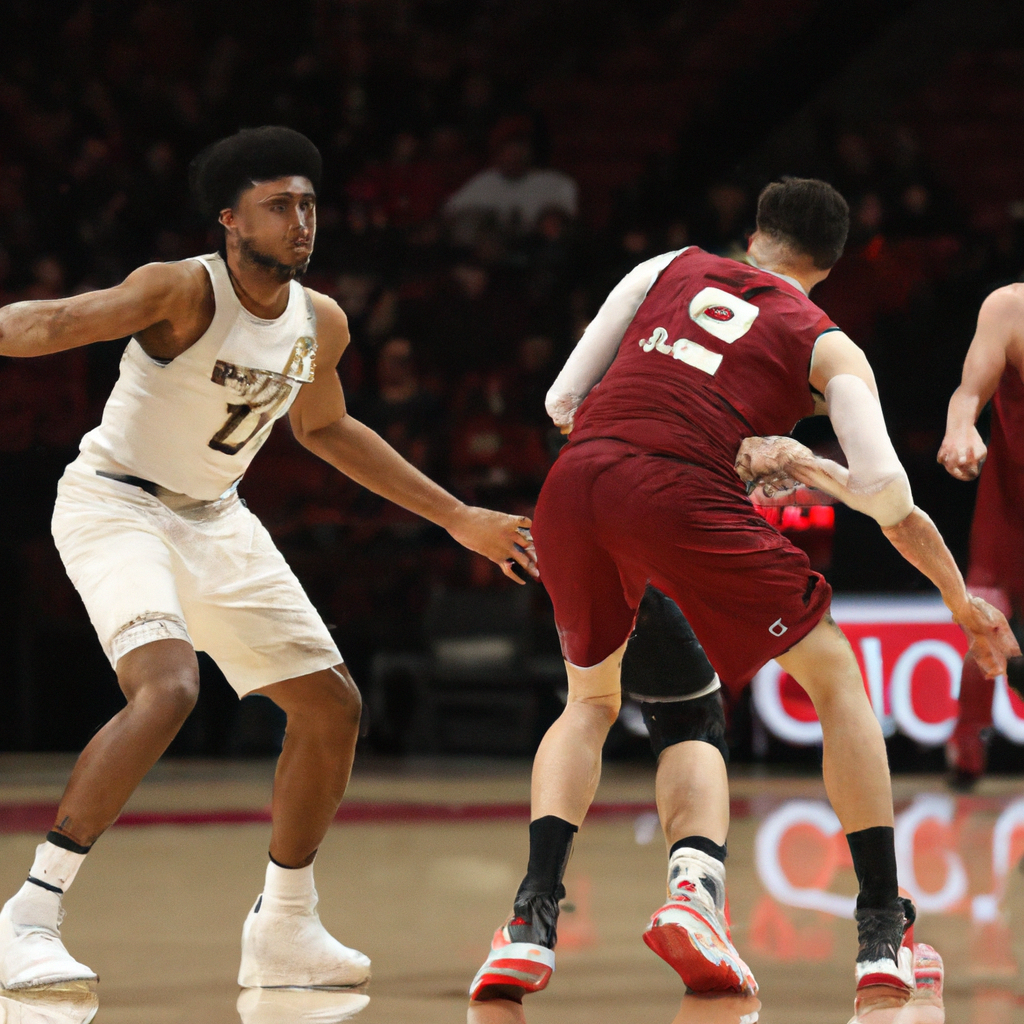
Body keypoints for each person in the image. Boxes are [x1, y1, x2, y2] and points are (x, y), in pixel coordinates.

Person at [0, 126, 537, 992]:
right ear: (229, 219)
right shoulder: (181, 289)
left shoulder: (321, 321)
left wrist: (457, 516)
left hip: (218, 518)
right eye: (280, 206)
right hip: (117, 502)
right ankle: (29, 911)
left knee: (330, 708)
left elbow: (324, 428)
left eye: (310, 205)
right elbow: (56, 322)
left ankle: (284, 926)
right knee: (169, 688)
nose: (301, 222)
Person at [469, 178, 1017, 1005]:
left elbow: (561, 401)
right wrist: (956, 600)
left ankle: (529, 920)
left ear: (753, 235)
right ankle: (881, 928)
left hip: (574, 486)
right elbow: (891, 501)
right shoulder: (827, 344)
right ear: (831, 266)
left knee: (589, 703)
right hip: (677, 493)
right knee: (835, 681)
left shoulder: (666, 266)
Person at [937, 282, 1024, 784]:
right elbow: (969, 393)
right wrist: (961, 427)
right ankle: (967, 741)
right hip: (1011, 498)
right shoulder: (1008, 307)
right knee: (989, 613)